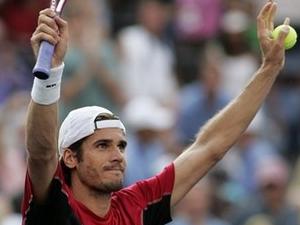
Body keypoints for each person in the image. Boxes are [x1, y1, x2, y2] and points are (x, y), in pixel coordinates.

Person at [22, 1, 290, 224]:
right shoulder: (54, 202)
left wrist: (269, 69)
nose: (117, 156)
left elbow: (210, 147)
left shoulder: (136, 205)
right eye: (102, 145)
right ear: (69, 157)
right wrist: (51, 73)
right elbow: (42, 150)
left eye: (121, 146)